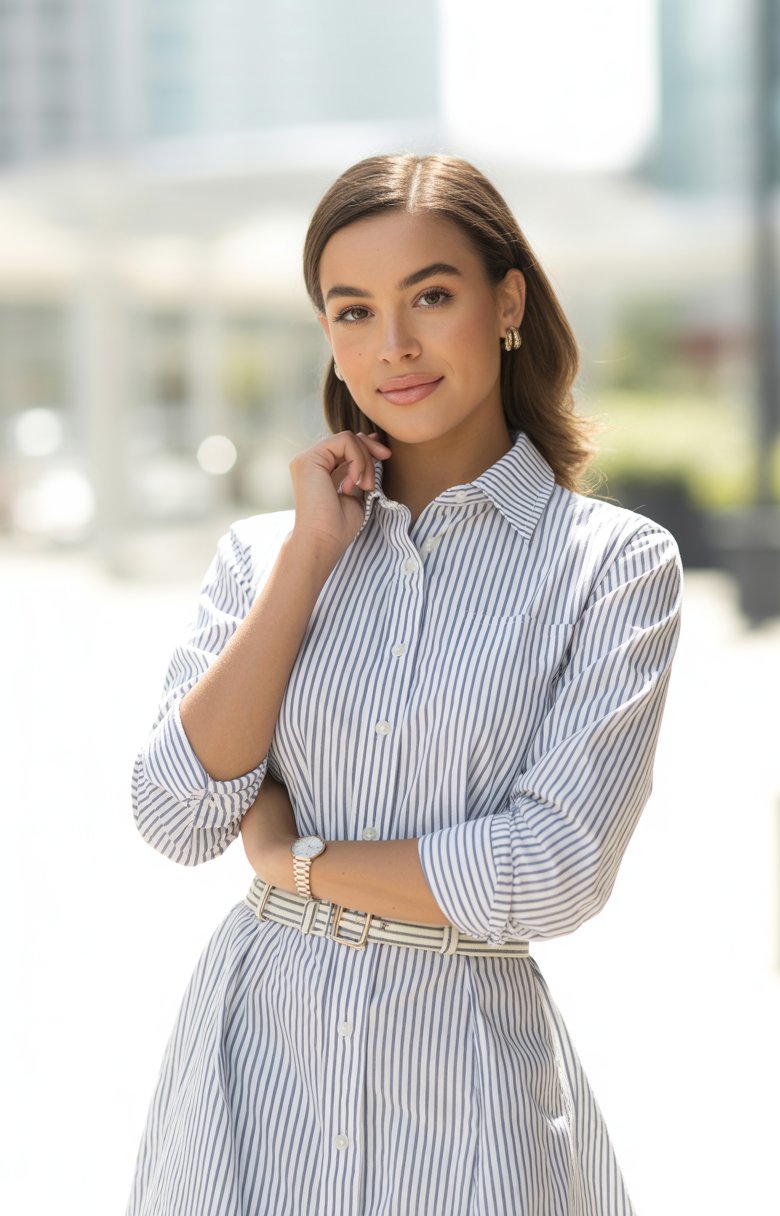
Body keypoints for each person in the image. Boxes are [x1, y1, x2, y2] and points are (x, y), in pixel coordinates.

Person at [126, 153, 682, 1216]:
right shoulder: (262, 555)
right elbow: (173, 812)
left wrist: (295, 860)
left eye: (431, 294)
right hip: (253, 1068)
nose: (394, 347)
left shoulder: (612, 564)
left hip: (468, 1082)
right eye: (353, 310)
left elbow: (552, 871)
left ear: (506, 299)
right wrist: (306, 563)